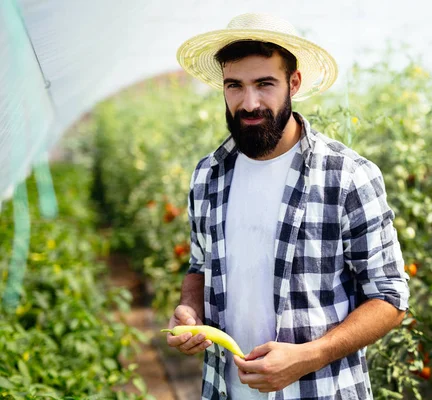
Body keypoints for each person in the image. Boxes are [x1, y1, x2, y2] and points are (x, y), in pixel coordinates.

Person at [166, 12, 410, 400]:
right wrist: (190, 310)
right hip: (225, 390)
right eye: (235, 86)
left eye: (265, 84)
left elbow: (390, 297)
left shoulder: (347, 176)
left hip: (321, 390)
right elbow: (199, 266)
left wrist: (309, 356)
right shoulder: (208, 176)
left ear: (293, 82)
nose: (249, 103)